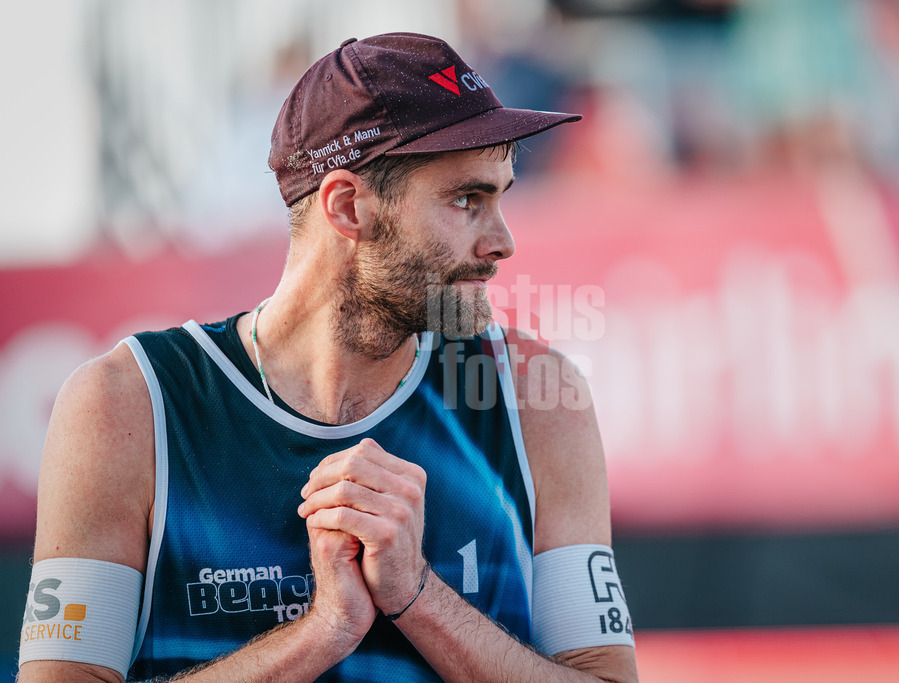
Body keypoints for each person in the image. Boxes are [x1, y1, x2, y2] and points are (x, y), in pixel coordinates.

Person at [19, 33, 638, 682]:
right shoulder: (126, 403)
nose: (503, 241)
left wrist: (418, 596)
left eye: (501, 196)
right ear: (346, 206)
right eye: (466, 200)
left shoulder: (531, 396)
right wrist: (322, 631)